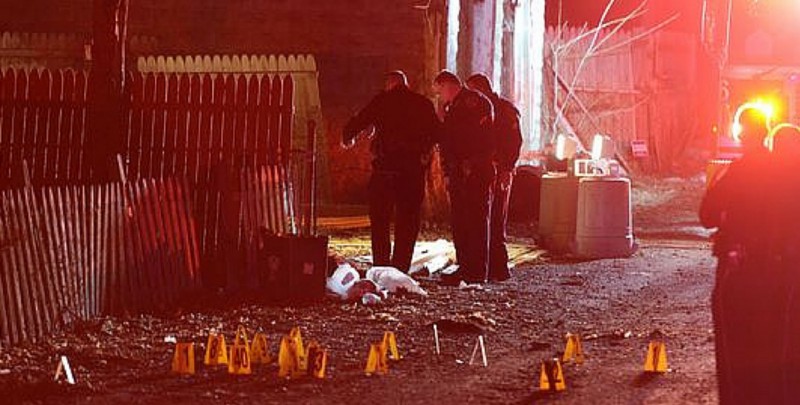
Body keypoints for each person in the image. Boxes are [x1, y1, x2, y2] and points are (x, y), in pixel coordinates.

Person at [700, 107, 779, 404]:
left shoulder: (736, 172)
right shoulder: (786, 172)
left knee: (734, 342)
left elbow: (706, 215)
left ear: (741, 134)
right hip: (778, 272)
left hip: (739, 268)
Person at [342, 71, 438, 272]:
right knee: (409, 220)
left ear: (389, 84)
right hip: (412, 171)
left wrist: (348, 137)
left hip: (385, 170)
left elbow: (360, 119)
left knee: (380, 220)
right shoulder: (423, 104)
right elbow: (437, 133)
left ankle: (381, 265)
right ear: (405, 84)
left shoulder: (382, 100)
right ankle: (401, 266)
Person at [433, 70, 495, 285]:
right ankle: (465, 266)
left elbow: (480, 140)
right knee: (461, 223)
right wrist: (449, 173)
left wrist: (471, 164)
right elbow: (447, 143)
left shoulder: (474, 103)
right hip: (459, 173)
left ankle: (477, 271)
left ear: (448, 85)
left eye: (440, 91)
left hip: (475, 172)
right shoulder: (454, 107)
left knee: (476, 222)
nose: (440, 97)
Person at [466, 73, 523, 282]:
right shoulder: (478, 111)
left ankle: (498, 268)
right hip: (484, 171)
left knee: (497, 219)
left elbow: (514, 141)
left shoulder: (504, 111)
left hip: (500, 171)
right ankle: (486, 266)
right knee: (483, 219)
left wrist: (507, 169)